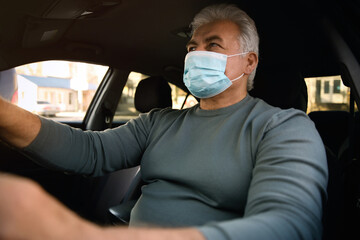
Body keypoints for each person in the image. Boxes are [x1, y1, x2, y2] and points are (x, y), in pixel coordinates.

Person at [0, 4, 328, 240]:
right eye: (191, 47)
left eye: (212, 45)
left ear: (249, 62)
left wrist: (79, 233)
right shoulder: (159, 123)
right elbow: (87, 150)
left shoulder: (283, 128)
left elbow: (289, 225)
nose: (195, 54)